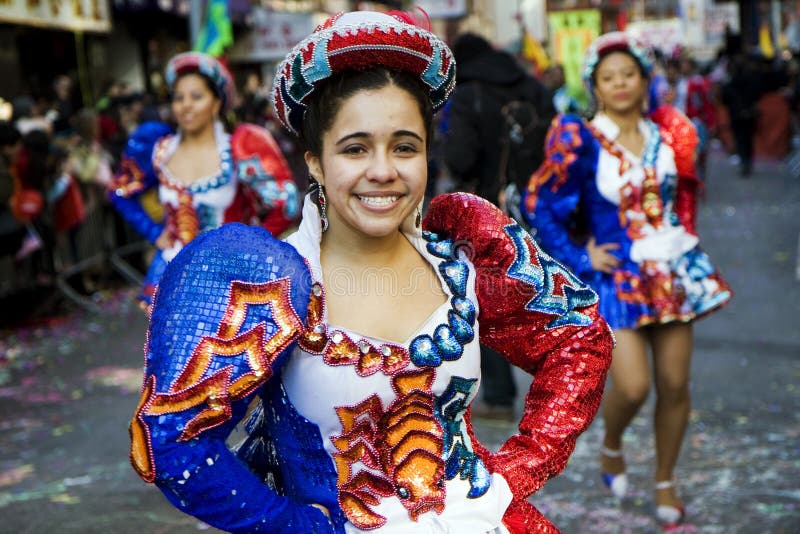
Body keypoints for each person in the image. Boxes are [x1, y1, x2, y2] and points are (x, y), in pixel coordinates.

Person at [128, 10, 613, 533]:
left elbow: (578, 341)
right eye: (355, 148)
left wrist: (516, 470)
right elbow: (172, 438)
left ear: (428, 154)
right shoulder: (273, 282)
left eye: (405, 147)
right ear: (314, 160)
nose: (383, 171)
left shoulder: (462, 254)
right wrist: (293, 525)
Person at [522, 32, 733, 528]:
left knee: (676, 384)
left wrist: (686, 240)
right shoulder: (580, 138)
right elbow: (540, 205)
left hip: (674, 272)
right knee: (634, 385)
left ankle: (664, 479)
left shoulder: (670, 133)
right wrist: (580, 254)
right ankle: (612, 444)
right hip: (616, 277)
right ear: (595, 85)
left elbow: (684, 197)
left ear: (644, 80)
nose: (619, 84)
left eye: (628, 74)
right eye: (607, 77)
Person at [107, 52, 299, 309]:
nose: (185, 105)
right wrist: (155, 233)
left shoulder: (237, 147)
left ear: (216, 103)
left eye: (196, 97)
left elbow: (286, 204)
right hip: (170, 279)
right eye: (178, 97)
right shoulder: (160, 151)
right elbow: (119, 192)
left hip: (231, 284)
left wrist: (251, 247)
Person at [442, 32, 556, 421]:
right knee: (544, 296)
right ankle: (559, 387)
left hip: (486, 214)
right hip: (542, 209)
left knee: (485, 300)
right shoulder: (532, 87)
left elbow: (460, 156)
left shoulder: (468, 93)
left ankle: (501, 395)